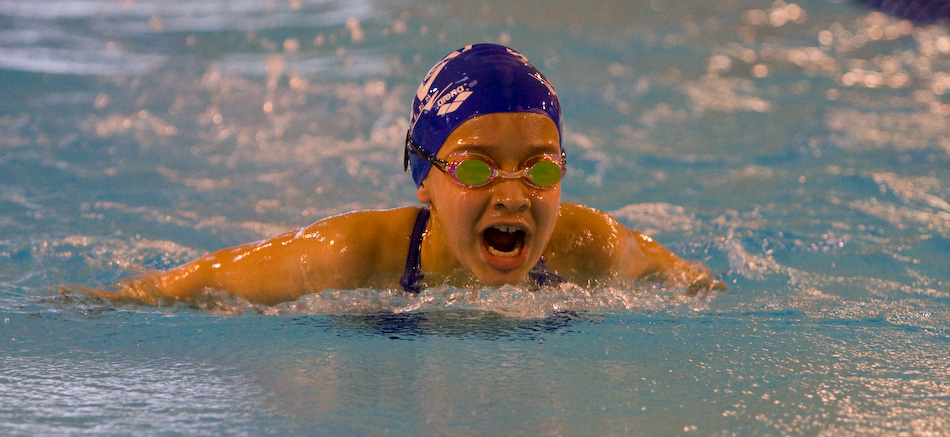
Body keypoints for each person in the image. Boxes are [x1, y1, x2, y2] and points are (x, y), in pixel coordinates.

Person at [73, 43, 722, 306]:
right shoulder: (351, 256)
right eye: (475, 166)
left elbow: (690, 281)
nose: (513, 194)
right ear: (424, 180)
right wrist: (100, 301)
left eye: (540, 167)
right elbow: (196, 283)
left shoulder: (590, 246)